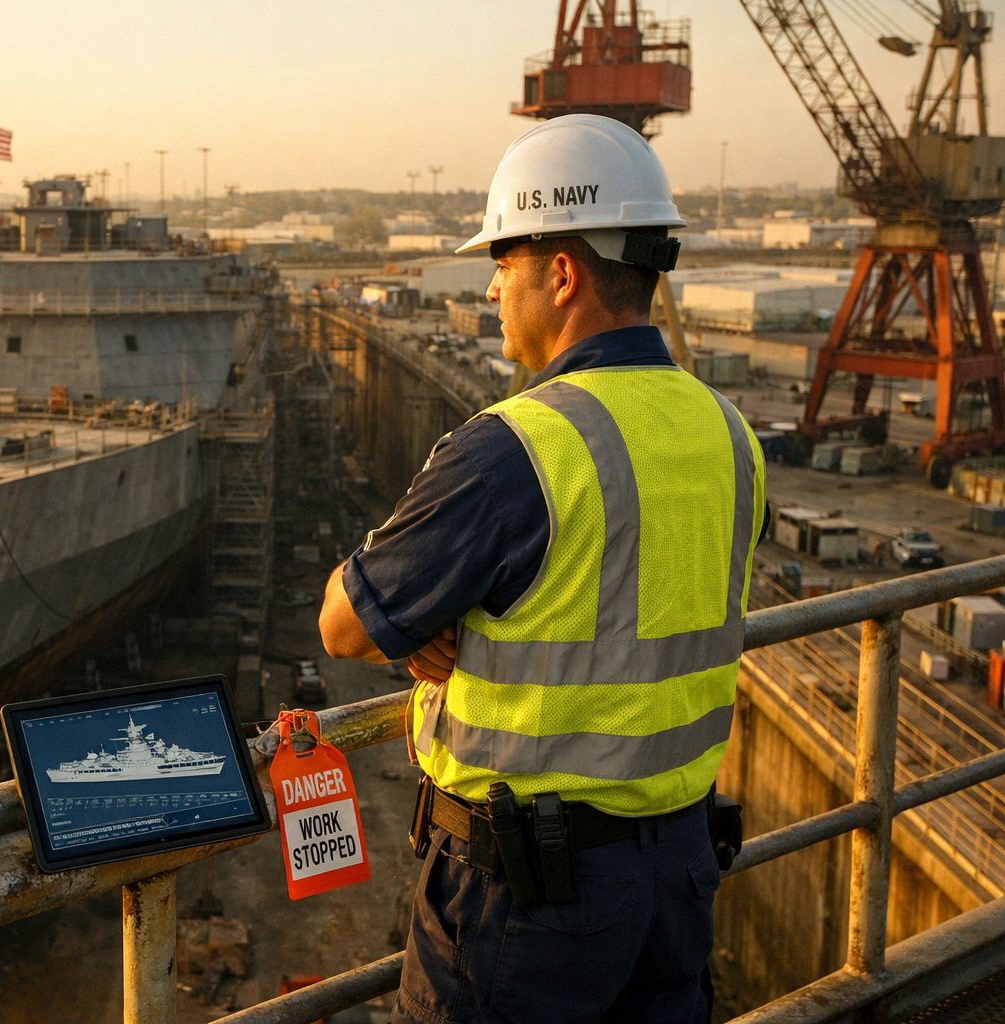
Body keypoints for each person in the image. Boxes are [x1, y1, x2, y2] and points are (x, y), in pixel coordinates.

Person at [318, 113, 765, 1024]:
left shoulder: (517, 448)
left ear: (561, 274)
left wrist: (444, 623)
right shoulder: (730, 434)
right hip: (677, 874)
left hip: (526, 901)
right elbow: (629, 591)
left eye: (502, 263)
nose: (490, 291)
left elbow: (344, 623)